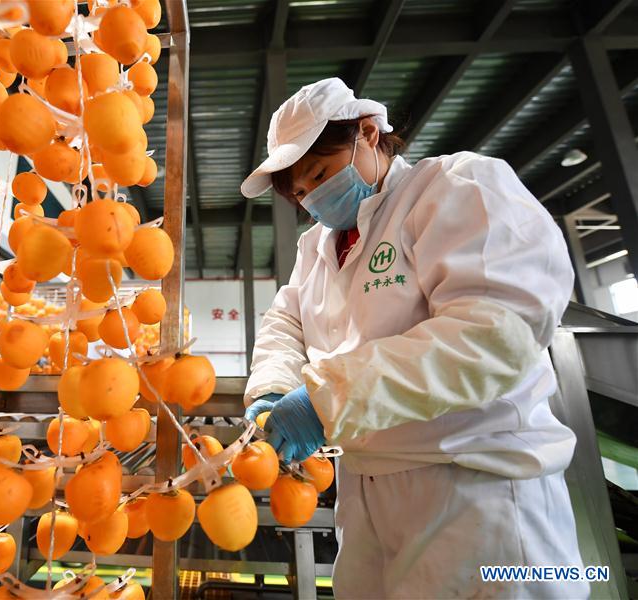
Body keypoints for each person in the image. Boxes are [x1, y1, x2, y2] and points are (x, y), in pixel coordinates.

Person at [241, 78, 587, 598]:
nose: (312, 199)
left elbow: (495, 334)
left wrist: (329, 399)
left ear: (368, 133)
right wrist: (273, 384)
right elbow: (286, 322)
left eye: (319, 173)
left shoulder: (458, 188)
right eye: (300, 193)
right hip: (365, 494)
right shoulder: (316, 247)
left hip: (476, 490)